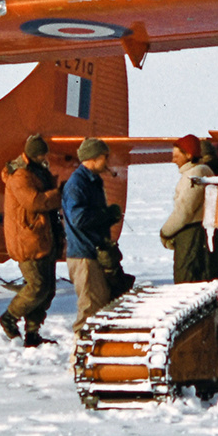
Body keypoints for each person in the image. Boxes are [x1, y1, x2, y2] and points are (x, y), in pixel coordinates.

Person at [0, 134, 63, 347]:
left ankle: (33, 333)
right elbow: (34, 202)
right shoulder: (20, 176)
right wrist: (59, 194)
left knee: (47, 290)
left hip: (43, 237)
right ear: (34, 154)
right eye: (42, 153)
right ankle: (9, 318)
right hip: (28, 239)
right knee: (37, 287)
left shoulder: (37, 172)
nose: (45, 157)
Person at [62, 136, 126, 332]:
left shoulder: (91, 181)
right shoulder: (77, 183)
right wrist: (106, 215)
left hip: (93, 254)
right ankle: (81, 358)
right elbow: (78, 218)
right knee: (90, 311)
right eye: (104, 157)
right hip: (85, 257)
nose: (107, 161)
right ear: (93, 157)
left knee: (102, 304)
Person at [159, 133, 214, 284]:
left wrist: (165, 232)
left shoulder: (195, 174)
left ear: (188, 155)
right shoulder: (201, 172)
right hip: (198, 235)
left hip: (191, 237)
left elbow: (184, 211)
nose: (173, 160)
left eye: (176, 156)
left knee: (187, 281)